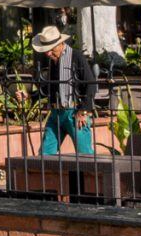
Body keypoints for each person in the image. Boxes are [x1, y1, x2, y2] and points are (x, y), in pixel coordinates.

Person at [33, 24, 98, 155]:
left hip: (74, 112)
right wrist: (30, 96)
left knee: (85, 155)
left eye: (51, 49)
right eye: (46, 50)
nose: (48, 53)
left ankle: (88, 176)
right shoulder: (53, 61)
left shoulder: (76, 56)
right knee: (45, 153)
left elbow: (91, 83)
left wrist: (84, 111)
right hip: (56, 112)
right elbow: (49, 87)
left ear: (60, 43)